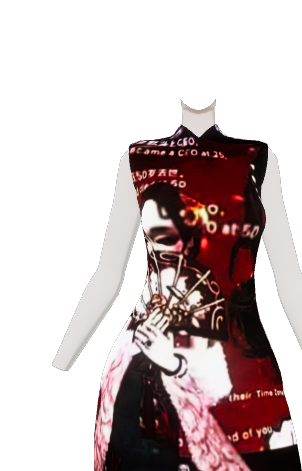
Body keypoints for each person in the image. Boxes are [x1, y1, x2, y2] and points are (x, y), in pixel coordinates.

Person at [94, 182, 238, 471]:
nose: (156, 251)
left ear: (187, 242)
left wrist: (172, 362)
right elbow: (106, 276)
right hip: (120, 437)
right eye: (147, 239)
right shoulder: (139, 297)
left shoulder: (204, 304)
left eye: (166, 239)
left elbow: (220, 388)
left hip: (173, 446)